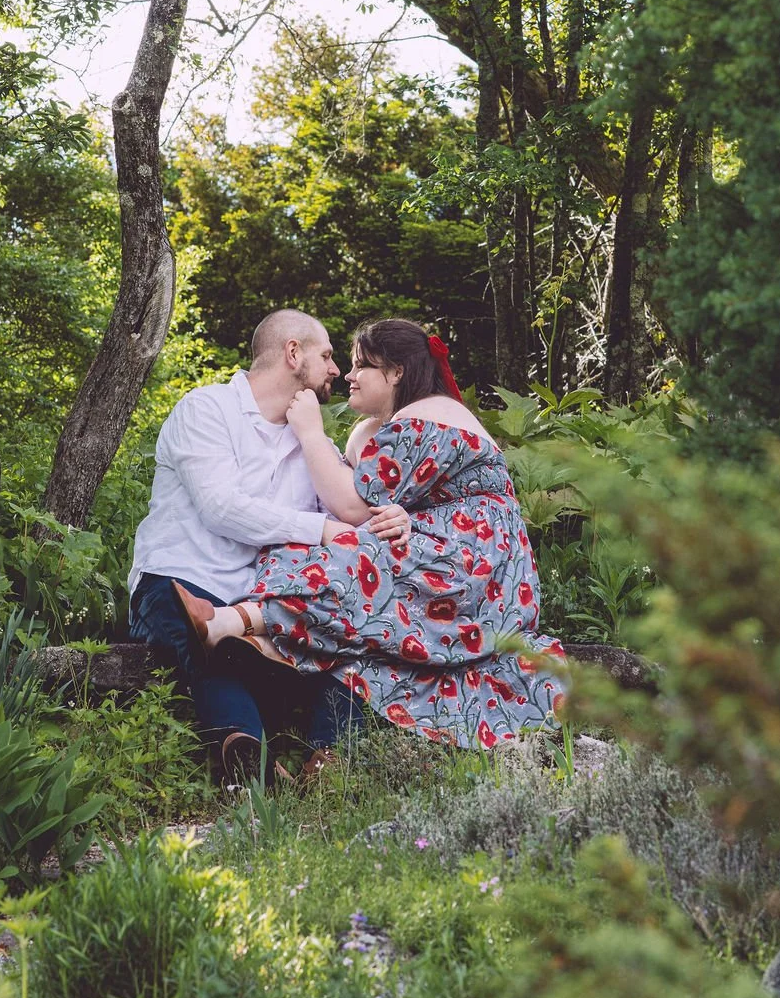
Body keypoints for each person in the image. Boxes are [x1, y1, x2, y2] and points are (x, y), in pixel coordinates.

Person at [173, 318, 567, 751]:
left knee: (350, 558)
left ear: (396, 372)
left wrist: (309, 431)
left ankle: (236, 621)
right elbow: (365, 504)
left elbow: (351, 508)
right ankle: (280, 670)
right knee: (361, 614)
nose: (348, 374)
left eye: (363, 365)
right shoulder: (387, 427)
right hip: (448, 550)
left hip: (476, 564)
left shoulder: (429, 414)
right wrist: (399, 515)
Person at [128, 308, 404, 783]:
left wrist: (392, 515)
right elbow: (221, 508)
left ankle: (328, 760)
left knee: (368, 627)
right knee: (207, 641)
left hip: (263, 605)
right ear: (293, 354)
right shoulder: (206, 409)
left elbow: (351, 515)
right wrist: (317, 530)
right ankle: (246, 756)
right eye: (328, 356)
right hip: (181, 581)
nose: (338, 370)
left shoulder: (309, 441)